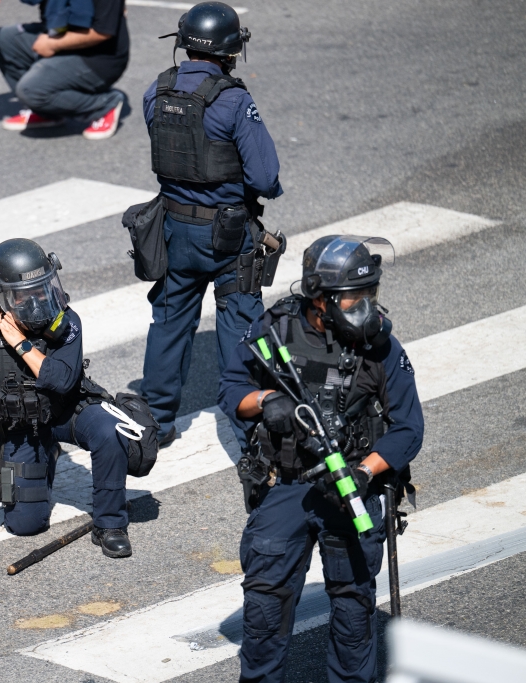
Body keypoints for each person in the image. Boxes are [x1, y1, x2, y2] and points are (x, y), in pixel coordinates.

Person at [217, 236, 424, 683]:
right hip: (286, 485)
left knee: (353, 612)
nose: (365, 307)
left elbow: (409, 428)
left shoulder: (381, 347)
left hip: (351, 487)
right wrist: (265, 400)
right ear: (318, 298)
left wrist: (366, 471)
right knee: (264, 610)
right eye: (353, 297)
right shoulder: (275, 331)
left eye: (370, 293)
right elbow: (231, 387)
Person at [139, 1, 284, 447]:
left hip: (171, 230)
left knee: (169, 323)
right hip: (226, 236)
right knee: (240, 326)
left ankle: (156, 422)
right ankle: (251, 432)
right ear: (230, 51)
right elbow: (265, 178)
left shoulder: (156, 91)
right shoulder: (234, 100)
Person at [0, 238, 137, 556]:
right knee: (25, 524)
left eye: (42, 289)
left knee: (109, 430)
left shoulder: (65, 320)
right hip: (20, 425)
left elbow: (62, 380)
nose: (36, 301)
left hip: (66, 410)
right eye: (24, 295)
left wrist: (20, 344)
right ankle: (45, 453)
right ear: (1, 293)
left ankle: (111, 524)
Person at [0, 0, 129, 140]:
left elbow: (103, 32)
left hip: (100, 58)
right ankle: (46, 112)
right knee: (2, 39)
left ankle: (103, 105)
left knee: (30, 90)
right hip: (61, 32)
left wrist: (52, 44)